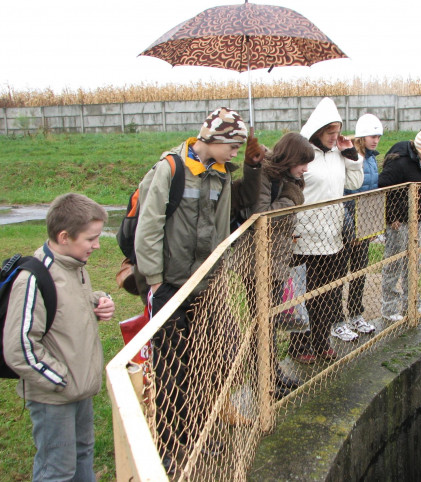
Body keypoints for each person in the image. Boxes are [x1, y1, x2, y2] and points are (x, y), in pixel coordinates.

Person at [134, 107, 262, 465]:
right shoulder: (171, 170)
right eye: (232, 145)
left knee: (205, 358)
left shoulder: (221, 174)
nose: (235, 151)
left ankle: (199, 427)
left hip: (206, 283)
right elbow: (149, 226)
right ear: (214, 140)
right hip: (171, 286)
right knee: (171, 366)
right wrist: (156, 281)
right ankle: (172, 440)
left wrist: (218, 272)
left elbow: (225, 224)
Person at [3, 193, 115, 482]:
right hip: (55, 396)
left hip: (79, 390)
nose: (97, 245)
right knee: (57, 469)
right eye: (91, 238)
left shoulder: (74, 267)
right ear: (64, 236)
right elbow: (20, 346)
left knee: (82, 454)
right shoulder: (34, 280)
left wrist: (96, 302)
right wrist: (60, 380)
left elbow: (67, 307)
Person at [291, 97, 364, 364]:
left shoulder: (338, 153)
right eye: (330, 133)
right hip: (304, 237)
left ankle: (322, 341)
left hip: (333, 236)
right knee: (302, 297)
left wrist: (351, 155)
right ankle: (299, 346)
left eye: (337, 132)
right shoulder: (302, 152)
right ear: (318, 130)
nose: (335, 137)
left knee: (328, 293)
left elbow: (355, 183)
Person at [248, 132, 314, 397]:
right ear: (290, 157)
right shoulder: (264, 174)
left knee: (271, 323)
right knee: (261, 325)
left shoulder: (287, 177)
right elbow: (262, 215)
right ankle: (262, 381)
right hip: (257, 261)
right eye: (302, 162)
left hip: (276, 259)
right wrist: (293, 197)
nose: (305, 169)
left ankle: (273, 372)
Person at [378, 129, 421, 321]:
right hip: (399, 222)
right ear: (418, 149)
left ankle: (411, 303)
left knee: (413, 263)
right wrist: (391, 216)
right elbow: (383, 186)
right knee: (394, 263)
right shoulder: (399, 162)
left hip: (416, 219)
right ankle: (389, 309)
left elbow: (419, 180)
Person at [333, 114, 383, 341]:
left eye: (379, 137)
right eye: (373, 136)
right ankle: (336, 320)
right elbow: (343, 193)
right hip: (345, 224)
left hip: (364, 223)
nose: (376, 141)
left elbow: (372, 193)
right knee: (338, 273)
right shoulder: (348, 157)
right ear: (362, 136)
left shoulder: (372, 159)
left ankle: (355, 314)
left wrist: (371, 225)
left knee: (360, 271)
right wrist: (348, 227)